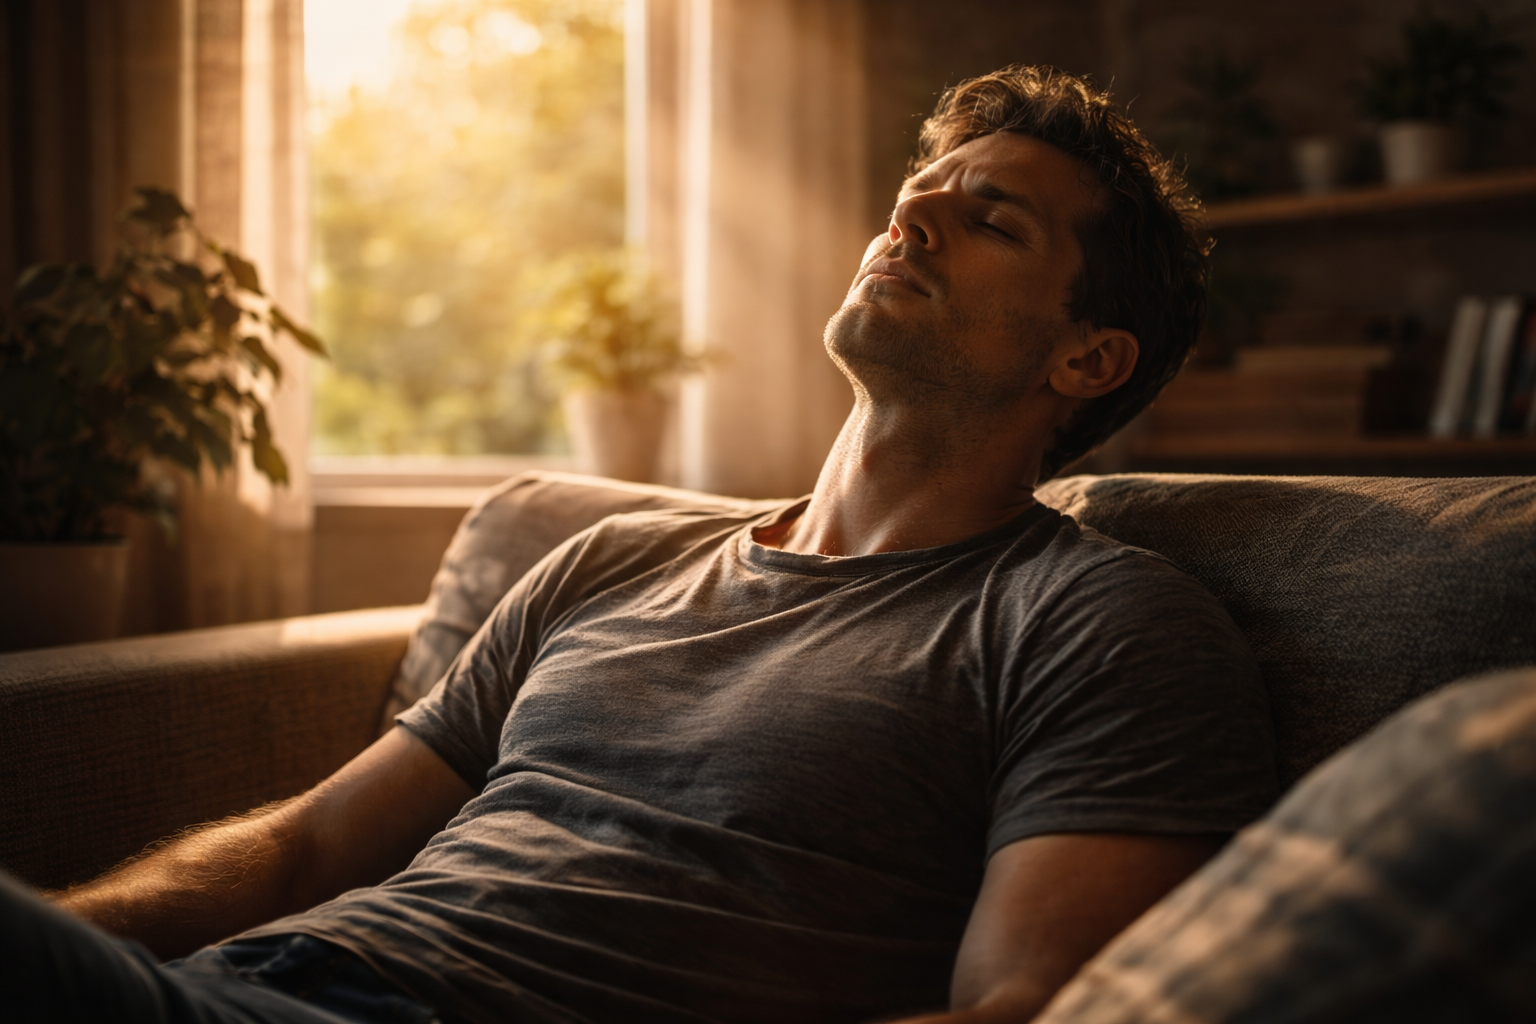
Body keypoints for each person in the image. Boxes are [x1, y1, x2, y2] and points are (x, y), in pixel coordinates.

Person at [3, 66, 1277, 1024]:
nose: (911, 227)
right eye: (913, 201)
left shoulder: (1099, 626)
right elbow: (308, 845)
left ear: (1086, 357)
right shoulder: (610, 559)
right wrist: (70, 938)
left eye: (991, 222)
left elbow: (1026, 1013)